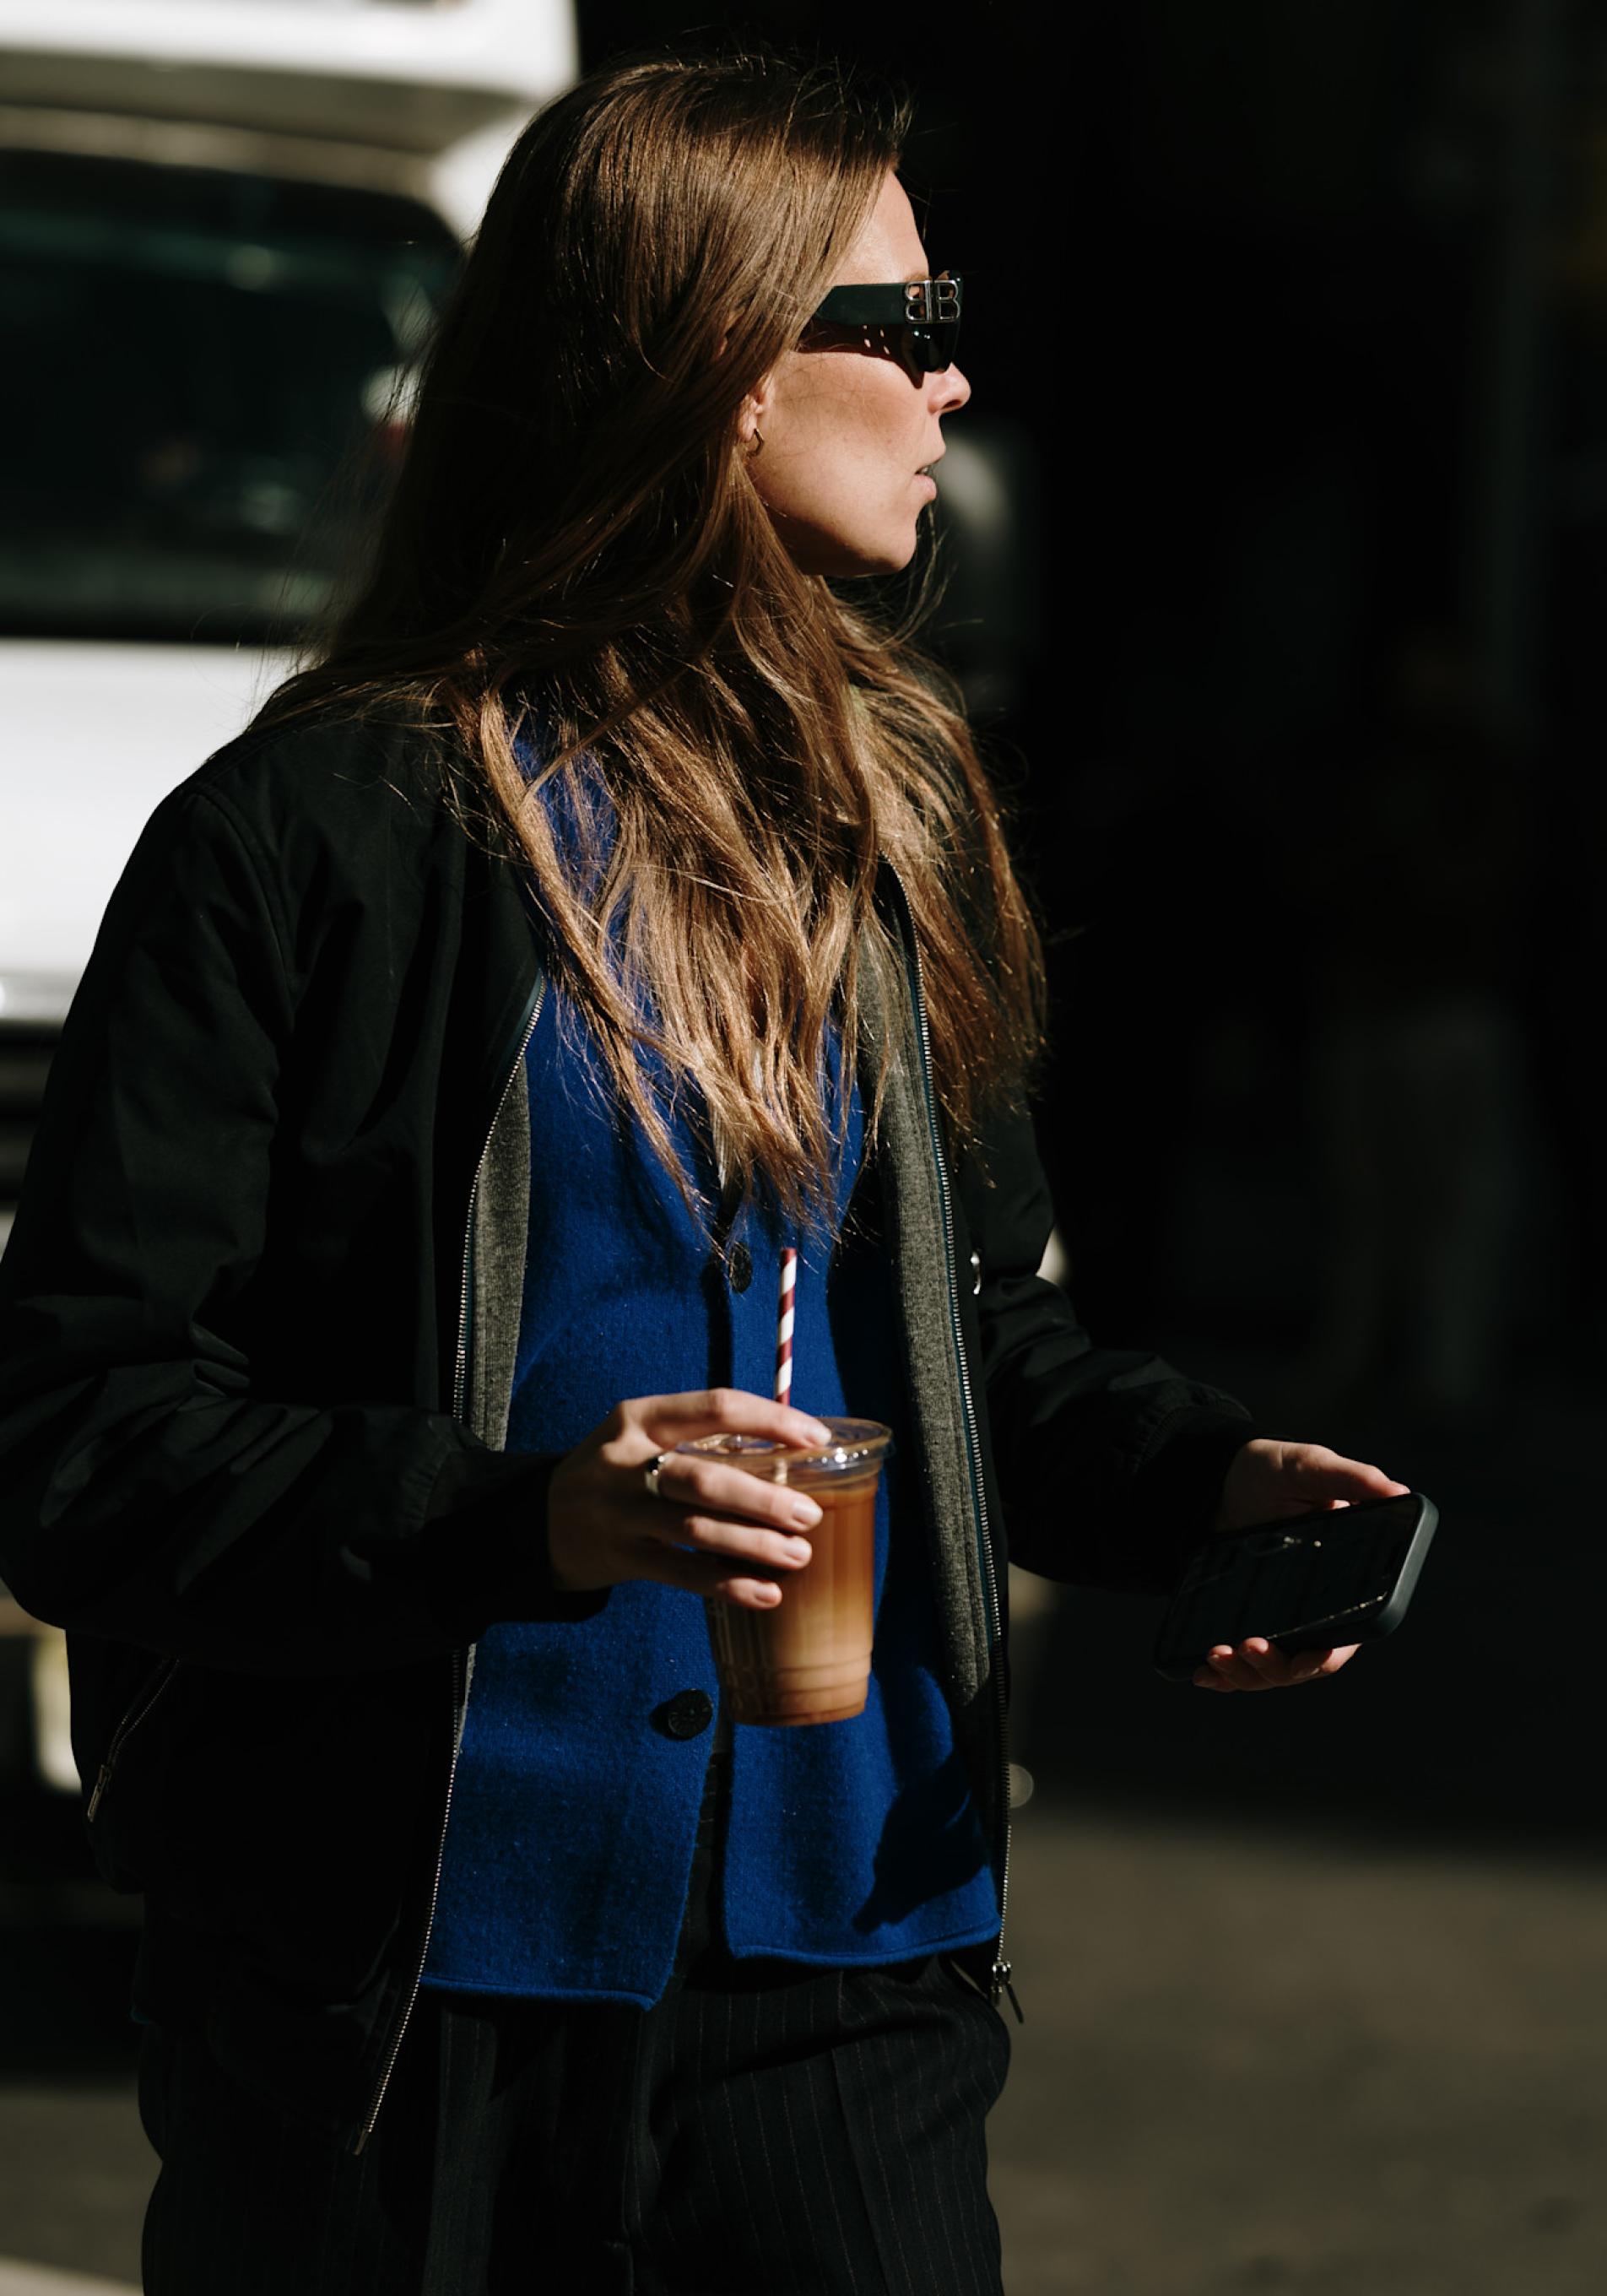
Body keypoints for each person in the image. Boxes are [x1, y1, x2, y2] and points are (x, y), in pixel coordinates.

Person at [0, 51, 1407, 2296]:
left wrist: (1193, 1486)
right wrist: (530, 1514)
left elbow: (973, 1335)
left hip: (853, 1988)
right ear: (713, 370)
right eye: (911, 329)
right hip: (394, 2011)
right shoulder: (312, 838)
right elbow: (77, 1441)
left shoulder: (899, 824)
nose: (960, 389)